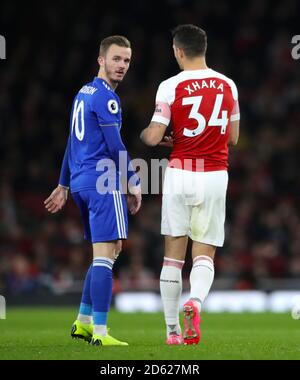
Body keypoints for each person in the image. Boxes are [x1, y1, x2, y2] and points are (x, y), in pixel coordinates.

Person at [140, 24, 240, 345]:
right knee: (204, 254)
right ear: (204, 48)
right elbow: (233, 137)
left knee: (173, 256)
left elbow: (154, 136)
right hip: (214, 174)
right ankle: (194, 303)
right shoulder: (228, 85)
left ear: (178, 51)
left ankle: (172, 332)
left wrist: (148, 135)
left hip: (181, 171)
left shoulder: (170, 86)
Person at [44, 35, 141, 346]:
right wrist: (132, 182)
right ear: (101, 59)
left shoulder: (82, 94)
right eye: (116, 59)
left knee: (108, 252)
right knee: (106, 254)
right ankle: (100, 332)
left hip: (82, 182)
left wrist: (64, 184)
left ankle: (83, 321)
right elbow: (115, 146)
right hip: (103, 181)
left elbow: (73, 142)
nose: (122, 65)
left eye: (126, 60)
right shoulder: (107, 97)